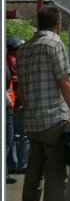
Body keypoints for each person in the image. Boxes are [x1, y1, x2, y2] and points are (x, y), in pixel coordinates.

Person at [15, 5, 70, 201]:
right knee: (55, 174)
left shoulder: (24, 48)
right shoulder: (55, 44)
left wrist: (29, 108)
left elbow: (20, 87)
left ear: (38, 23)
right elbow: (64, 80)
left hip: (33, 122)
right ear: (58, 23)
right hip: (54, 119)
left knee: (33, 175)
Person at [7, 36, 29, 175]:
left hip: (10, 104)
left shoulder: (7, 60)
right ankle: (23, 164)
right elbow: (19, 85)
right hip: (17, 103)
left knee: (13, 136)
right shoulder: (15, 61)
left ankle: (12, 164)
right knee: (24, 136)